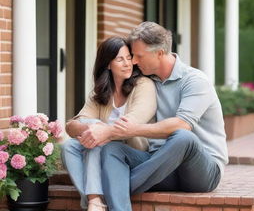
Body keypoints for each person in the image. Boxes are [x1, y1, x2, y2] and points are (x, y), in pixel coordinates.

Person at [82, 22, 229, 211]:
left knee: (183, 136)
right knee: (113, 149)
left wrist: (133, 130)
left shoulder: (195, 81)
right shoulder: (146, 81)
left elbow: (182, 124)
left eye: (138, 55)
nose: (133, 61)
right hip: (161, 167)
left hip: (201, 172)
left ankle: (109, 192)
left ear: (159, 53)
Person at [61, 36, 157, 211]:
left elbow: (134, 122)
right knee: (69, 147)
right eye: (120, 59)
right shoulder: (101, 92)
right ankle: (95, 199)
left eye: (129, 58)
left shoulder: (144, 85)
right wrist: (92, 128)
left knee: (98, 140)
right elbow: (71, 126)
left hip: (134, 154)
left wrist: (101, 132)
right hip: (101, 150)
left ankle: (94, 200)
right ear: (107, 64)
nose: (127, 63)